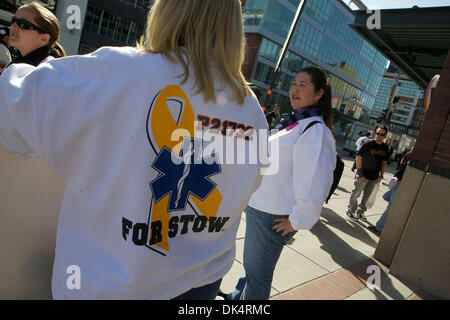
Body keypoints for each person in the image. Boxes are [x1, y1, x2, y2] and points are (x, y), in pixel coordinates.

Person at [0, 0, 268, 299]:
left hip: (111, 287)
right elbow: (250, 183)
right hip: (202, 283)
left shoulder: (120, 71)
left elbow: (13, 102)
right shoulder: (250, 108)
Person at [224, 66, 336, 300]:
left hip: (272, 217)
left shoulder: (315, 131)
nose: (294, 89)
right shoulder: (295, 121)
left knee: (259, 276)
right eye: (294, 83)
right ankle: (237, 298)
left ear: (319, 94)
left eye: (303, 85)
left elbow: (315, 182)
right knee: (253, 268)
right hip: (260, 208)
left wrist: (297, 221)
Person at [347, 126, 390, 221]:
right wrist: (360, 173)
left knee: (366, 197)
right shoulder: (368, 144)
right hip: (363, 175)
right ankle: (351, 211)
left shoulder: (385, 148)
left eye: (382, 134)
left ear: (385, 136)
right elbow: (359, 158)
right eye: (378, 133)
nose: (379, 136)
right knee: (356, 194)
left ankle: (361, 212)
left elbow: (384, 163)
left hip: (374, 177)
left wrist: (381, 175)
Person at [8, 1, 65, 67]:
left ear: (44, 38)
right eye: (13, 20)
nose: (13, 27)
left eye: (23, 24)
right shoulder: (22, 63)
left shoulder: (46, 69)